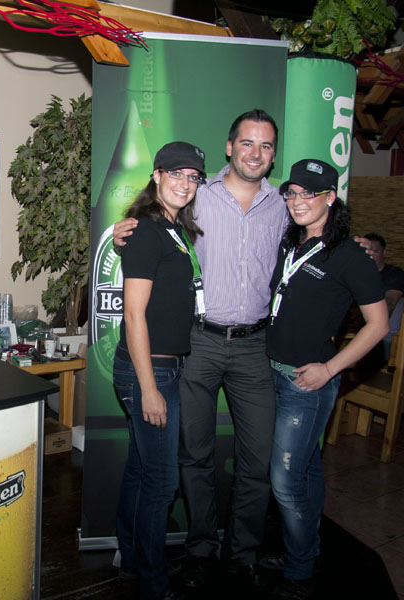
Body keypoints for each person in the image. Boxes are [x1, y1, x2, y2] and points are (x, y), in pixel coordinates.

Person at [115, 109, 286, 589]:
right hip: (199, 343)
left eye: (266, 145)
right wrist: (122, 230)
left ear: (273, 154)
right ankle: (200, 549)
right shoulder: (197, 195)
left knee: (257, 458)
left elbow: (319, 231)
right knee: (193, 456)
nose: (255, 153)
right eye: (247, 143)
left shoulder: (284, 204)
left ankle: (242, 553)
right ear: (230, 147)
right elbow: (147, 227)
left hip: (254, 344)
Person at [266, 159, 388, 599]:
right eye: (292, 193)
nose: (298, 201)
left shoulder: (350, 256)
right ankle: (306, 551)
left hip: (307, 384)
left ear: (331, 197)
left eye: (310, 193)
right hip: (272, 374)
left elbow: (379, 325)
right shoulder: (292, 242)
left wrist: (331, 368)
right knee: (307, 471)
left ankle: (300, 570)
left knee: (285, 481)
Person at [113, 141, 207, 600]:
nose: (185, 183)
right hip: (149, 372)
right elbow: (134, 315)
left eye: (193, 177)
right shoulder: (148, 231)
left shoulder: (173, 230)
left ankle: (132, 562)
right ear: (156, 175)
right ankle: (154, 584)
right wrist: (149, 387)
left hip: (163, 368)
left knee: (140, 470)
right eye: (176, 173)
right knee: (162, 482)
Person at [363, 233, 404, 359]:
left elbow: (390, 303)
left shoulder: (394, 274)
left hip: (384, 337)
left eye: (375, 252)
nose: (371, 256)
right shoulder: (355, 274)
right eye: (367, 252)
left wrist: (372, 327)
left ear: (384, 253)